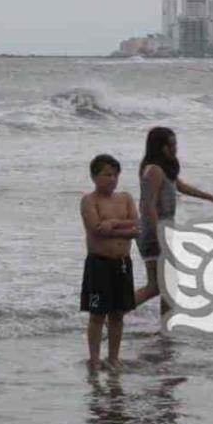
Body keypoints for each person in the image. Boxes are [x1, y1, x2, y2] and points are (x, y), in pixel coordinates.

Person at [134, 127, 213, 317]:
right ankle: (117, 313)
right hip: (154, 232)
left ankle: (162, 327)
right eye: (171, 145)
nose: (175, 148)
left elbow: (181, 186)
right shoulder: (153, 171)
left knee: (162, 286)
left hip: (162, 230)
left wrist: (212, 198)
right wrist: (158, 234)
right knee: (162, 286)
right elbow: (148, 207)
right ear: (160, 147)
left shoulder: (163, 170)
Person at [80, 154, 139, 369]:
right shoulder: (90, 200)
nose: (112, 179)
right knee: (97, 315)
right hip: (99, 263)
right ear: (94, 177)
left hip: (122, 262)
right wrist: (124, 229)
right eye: (107, 175)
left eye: (115, 175)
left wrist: (113, 223)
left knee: (118, 315)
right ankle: (94, 359)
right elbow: (96, 230)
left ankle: (114, 357)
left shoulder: (125, 198)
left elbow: (136, 227)